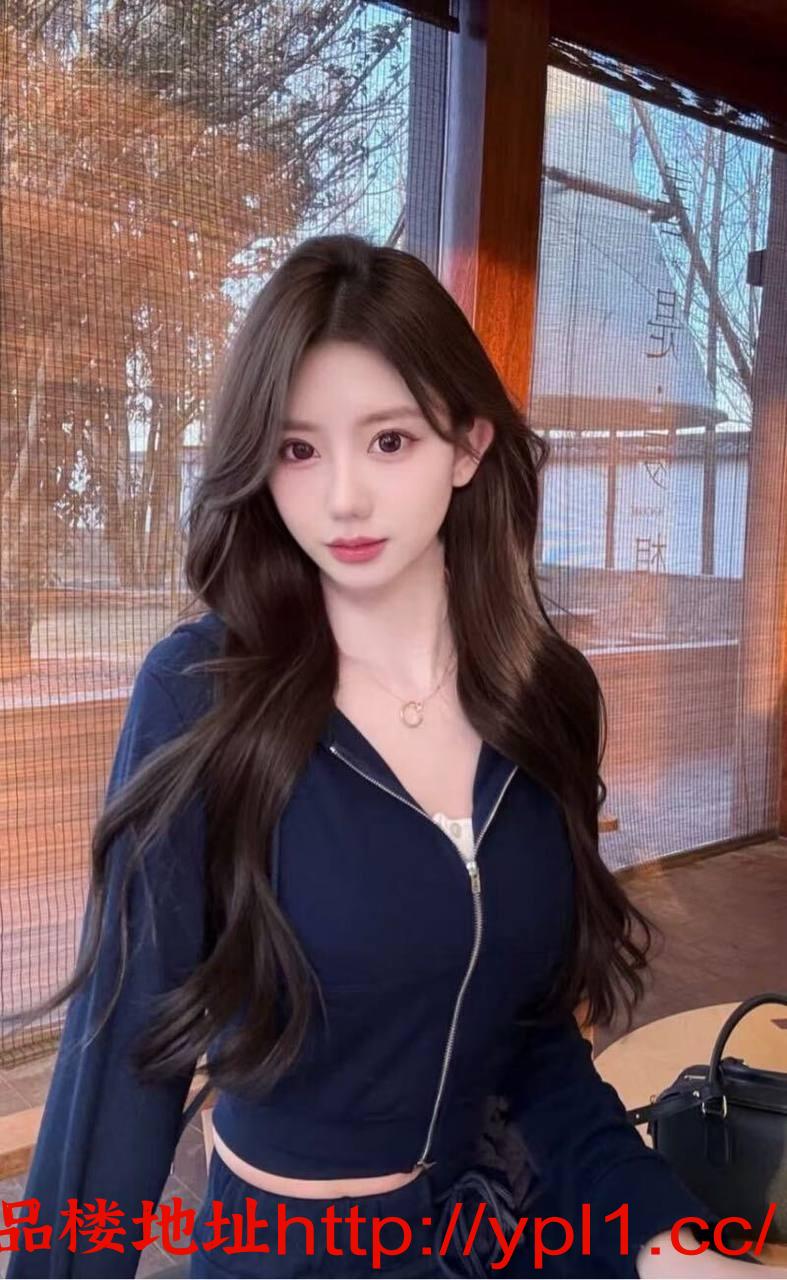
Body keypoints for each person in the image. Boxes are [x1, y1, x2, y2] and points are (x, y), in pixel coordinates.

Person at [4, 234, 783, 1280]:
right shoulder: (202, 694)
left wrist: (670, 1241)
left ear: (466, 444)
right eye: (297, 450)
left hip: (499, 1232)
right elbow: (119, 1068)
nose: (342, 500)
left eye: (388, 440)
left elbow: (532, 1045)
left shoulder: (544, 694)